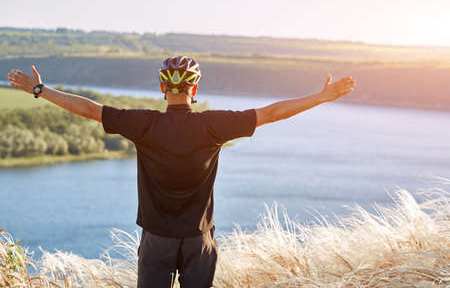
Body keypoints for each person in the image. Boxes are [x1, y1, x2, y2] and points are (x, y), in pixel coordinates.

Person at [7, 56, 355, 288]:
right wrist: (321, 97)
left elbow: (89, 110)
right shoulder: (213, 126)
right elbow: (274, 112)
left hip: (156, 239)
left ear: (163, 89)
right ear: (195, 90)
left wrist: (39, 90)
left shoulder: (144, 124)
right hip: (199, 241)